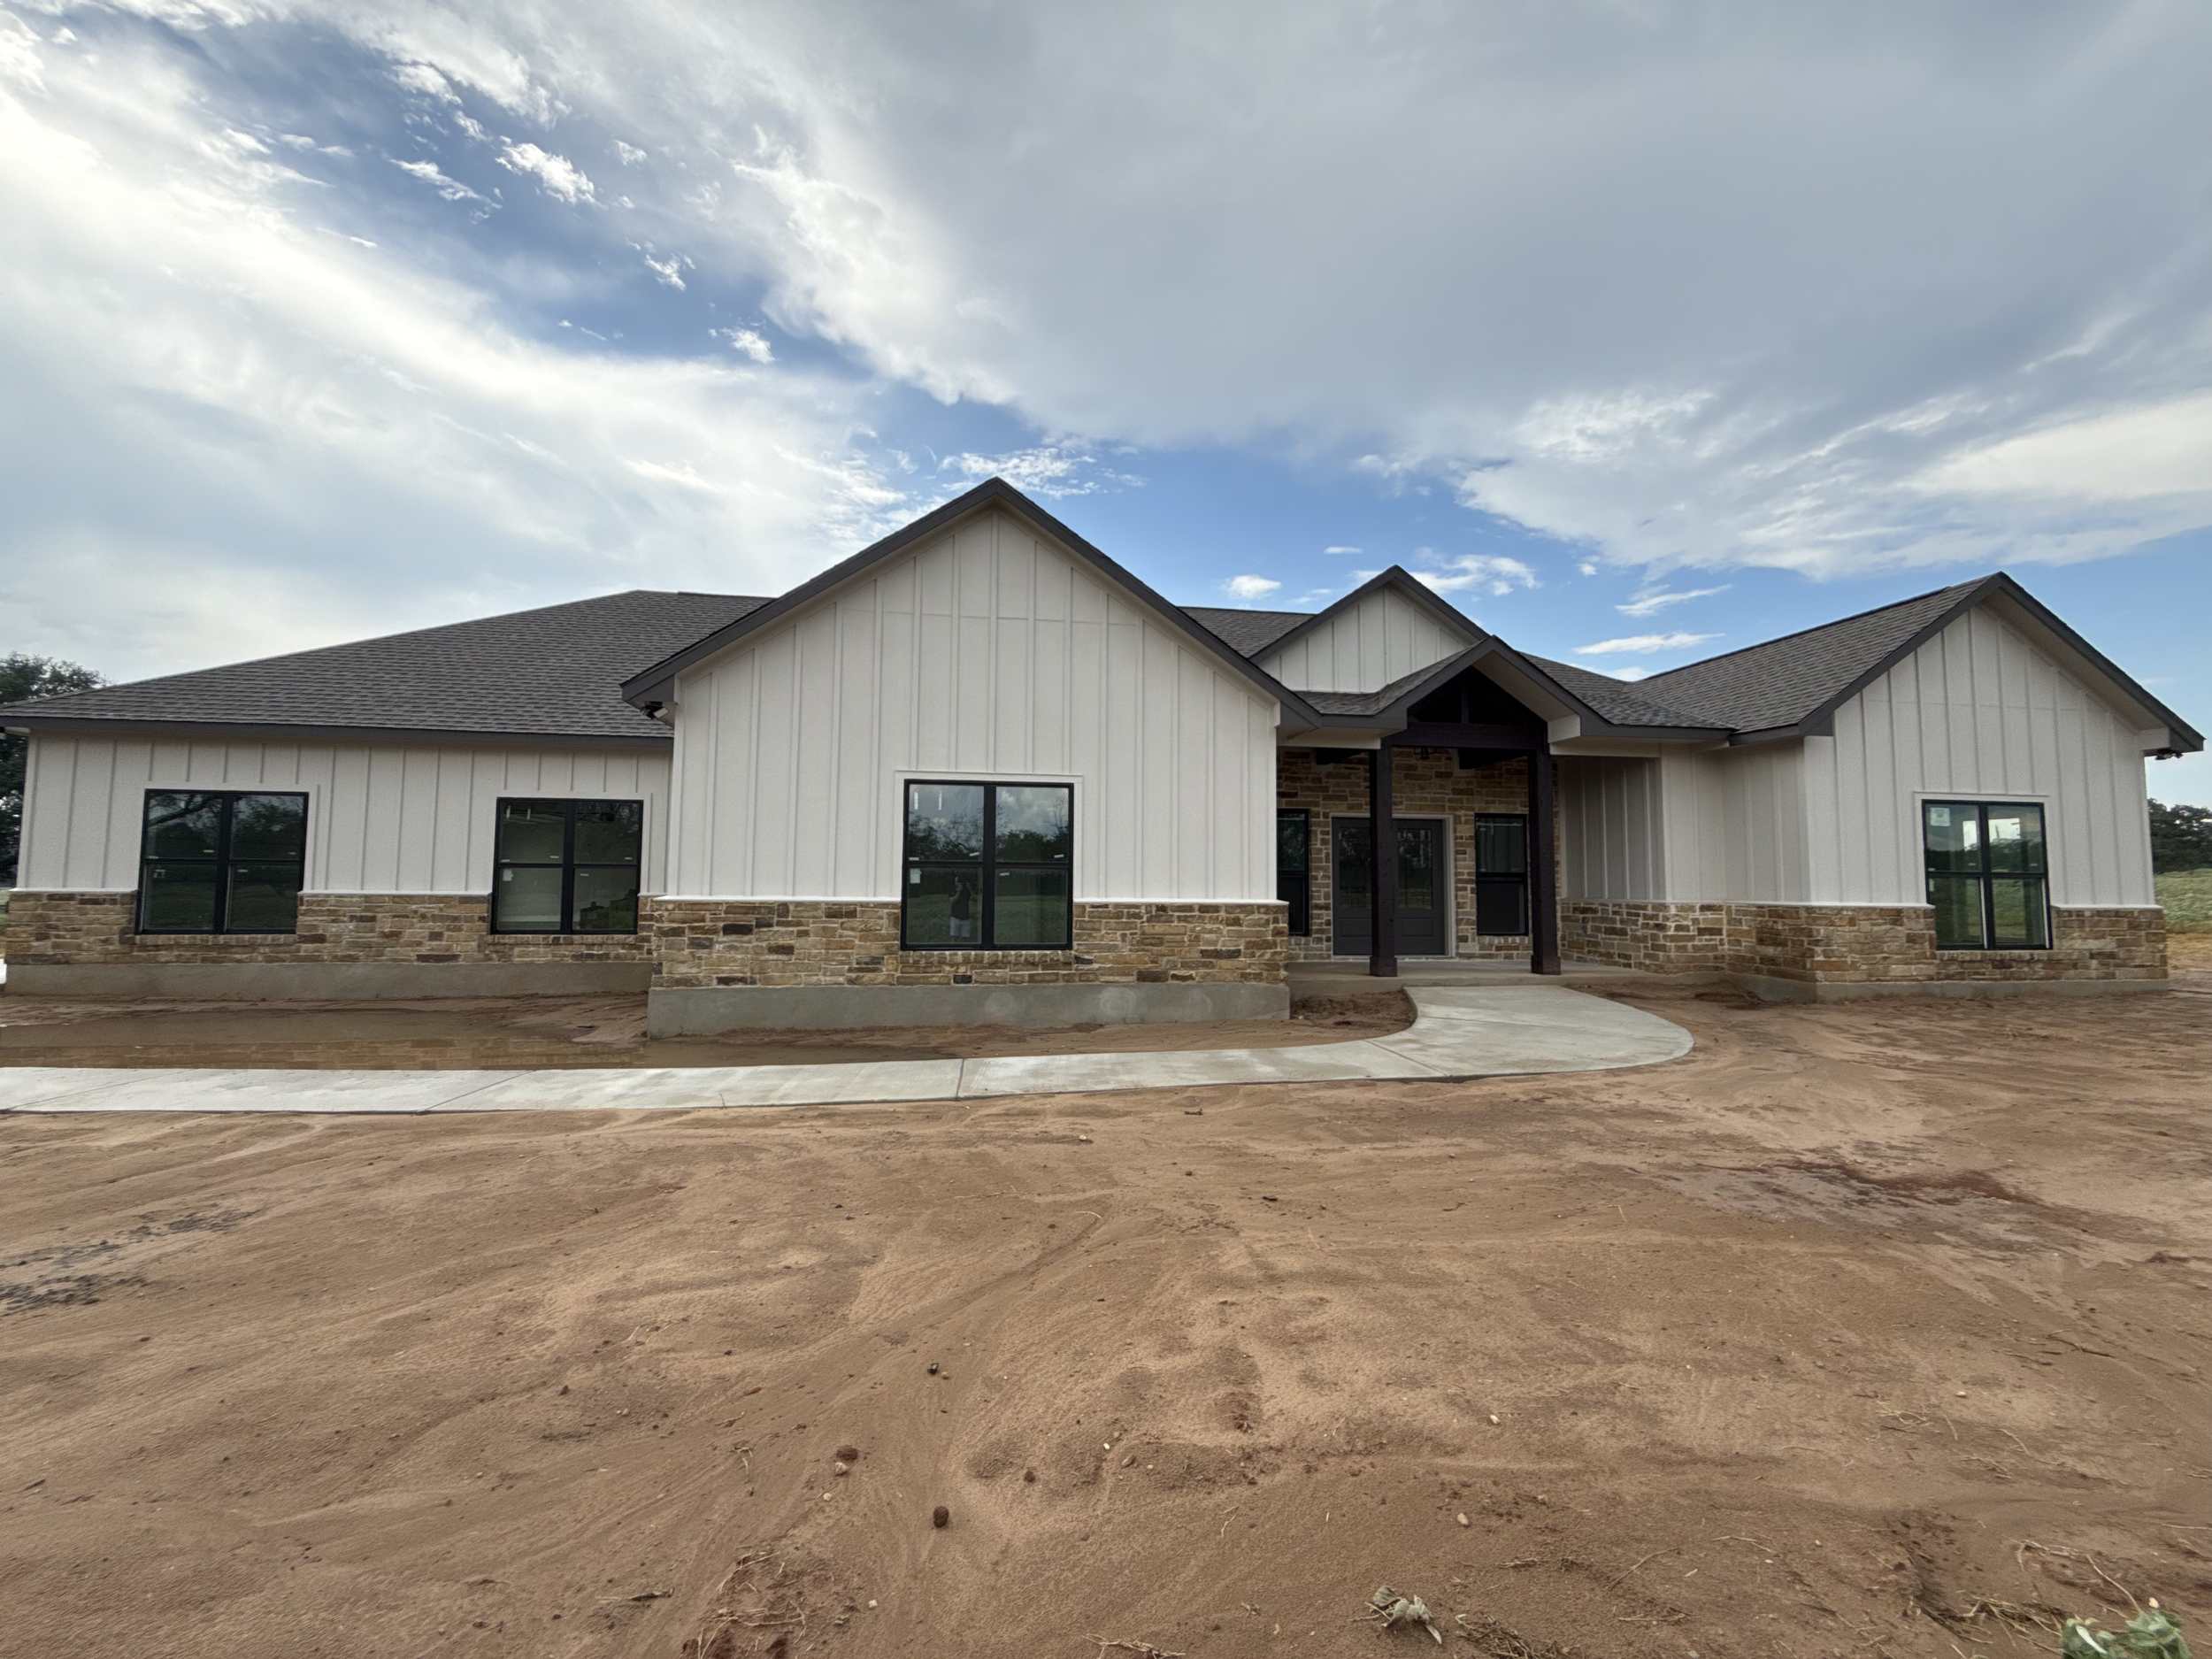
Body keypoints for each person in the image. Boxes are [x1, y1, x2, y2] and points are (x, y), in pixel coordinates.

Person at [948, 874, 975, 942]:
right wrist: (958, 891)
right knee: (954, 937)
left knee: (966, 938)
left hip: (965, 918)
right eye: (958, 883)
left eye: (961, 883)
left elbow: (975, 899)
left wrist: (970, 889)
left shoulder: (966, 890)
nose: (959, 884)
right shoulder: (953, 889)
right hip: (955, 917)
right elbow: (952, 900)